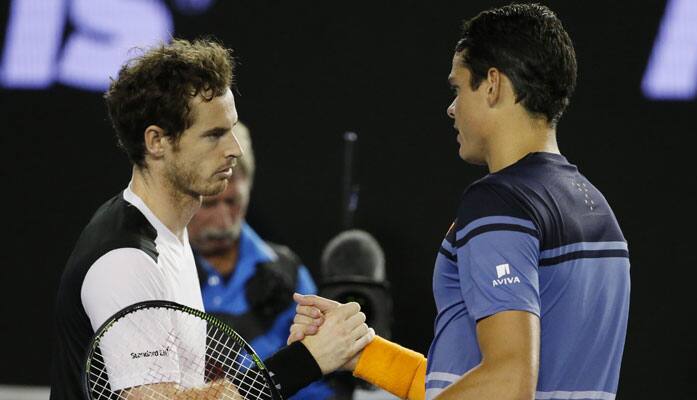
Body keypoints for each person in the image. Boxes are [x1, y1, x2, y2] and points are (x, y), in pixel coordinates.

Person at [290, 4, 631, 400]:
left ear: (492, 85)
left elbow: (507, 384)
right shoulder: (598, 211)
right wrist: (361, 351)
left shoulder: (499, 201)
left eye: (457, 87)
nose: (452, 108)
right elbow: (466, 387)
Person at [49, 38, 373, 400]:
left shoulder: (167, 235)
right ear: (157, 141)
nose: (233, 148)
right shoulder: (126, 261)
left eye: (230, 129)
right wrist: (307, 360)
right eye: (214, 134)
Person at [188, 121, 334, 399]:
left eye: (232, 202)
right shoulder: (159, 270)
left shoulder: (287, 272)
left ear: (248, 188)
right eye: (209, 204)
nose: (222, 221)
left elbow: (317, 382)